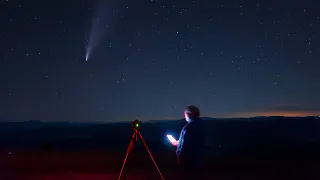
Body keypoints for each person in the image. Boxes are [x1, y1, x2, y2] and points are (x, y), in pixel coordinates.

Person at [176, 105, 206, 179]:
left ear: (190, 114)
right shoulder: (202, 125)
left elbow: (185, 145)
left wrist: (180, 156)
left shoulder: (189, 128)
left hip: (188, 161)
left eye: (185, 114)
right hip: (199, 159)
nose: (185, 117)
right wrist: (178, 142)